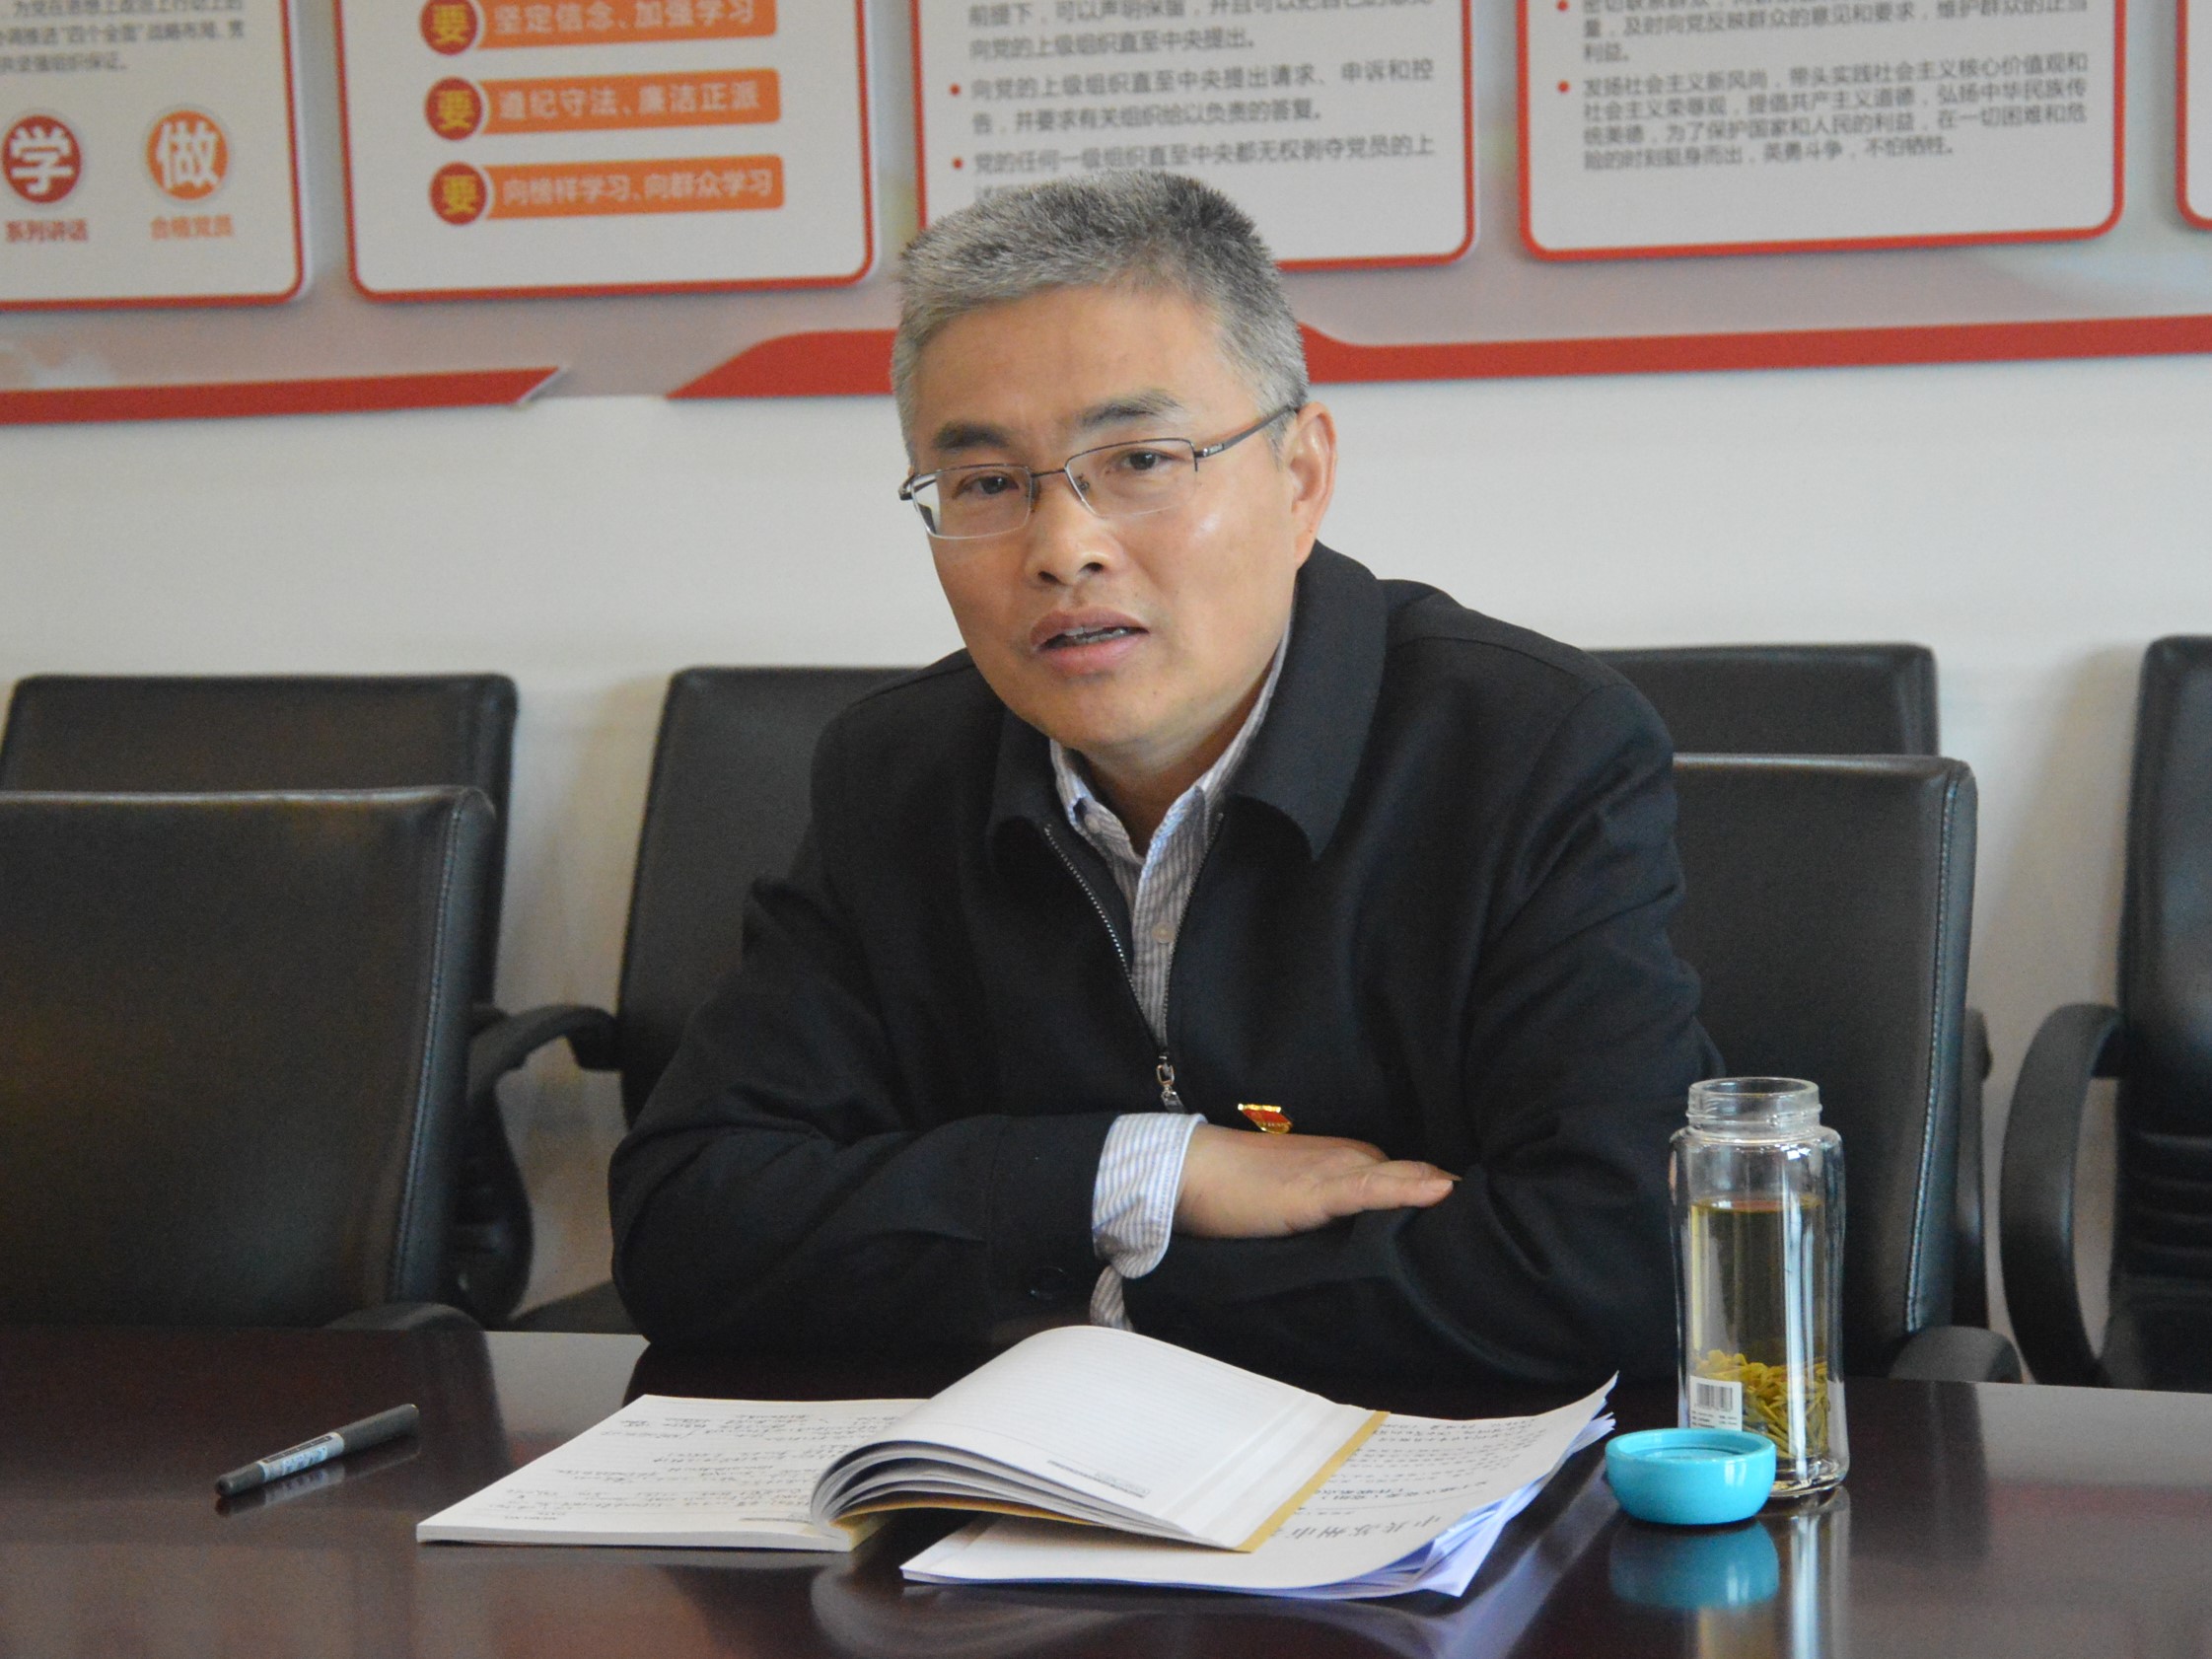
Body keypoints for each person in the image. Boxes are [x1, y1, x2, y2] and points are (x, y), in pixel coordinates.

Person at [609, 172, 1719, 1384]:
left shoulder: (1526, 747)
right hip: (1007, 1496)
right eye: (985, 484)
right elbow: (689, 1225)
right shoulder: (895, 770)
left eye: (1140, 457)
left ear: (1299, 476)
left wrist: (1068, 1286)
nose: (1061, 549)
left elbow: (1610, 1260)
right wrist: (1140, 1173)